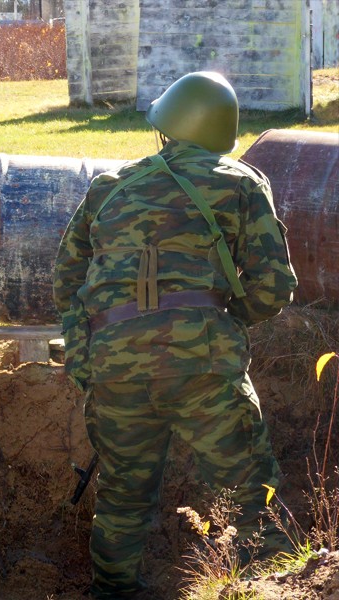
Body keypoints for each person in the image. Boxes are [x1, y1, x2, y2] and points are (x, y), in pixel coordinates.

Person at [52, 71, 297, 598]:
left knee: (123, 494)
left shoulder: (109, 185)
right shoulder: (240, 183)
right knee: (250, 490)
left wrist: (84, 358)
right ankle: (273, 586)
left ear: (166, 124)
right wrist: (222, 324)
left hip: (114, 366)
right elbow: (274, 287)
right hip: (204, 367)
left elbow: (67, 282)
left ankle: (115, 591)